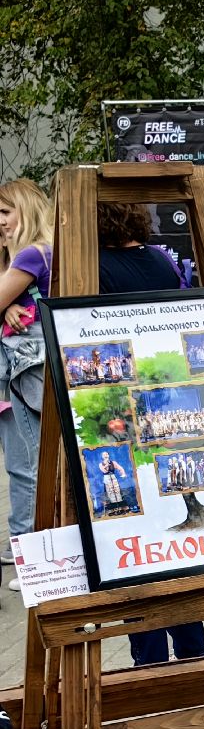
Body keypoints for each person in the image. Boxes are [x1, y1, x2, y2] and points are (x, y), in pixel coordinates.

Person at [97, 201, 204, 668]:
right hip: (168, 404)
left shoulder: (95, 266)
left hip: (121, 411)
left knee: (135, 538)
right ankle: (194, 649)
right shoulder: (162, 259)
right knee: (174, 541)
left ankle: (149, 660)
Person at [0, 178, 52, 589]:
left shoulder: (34, 254)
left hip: (26, 372)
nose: (0, 222)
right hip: (21, 372)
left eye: (5, 212)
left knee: (28, 468)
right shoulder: (26, 255)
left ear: (26, 209)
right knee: (25, 467)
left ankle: (36, 562)